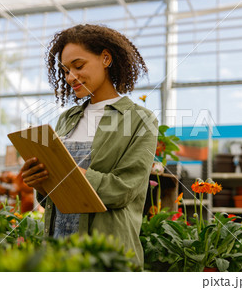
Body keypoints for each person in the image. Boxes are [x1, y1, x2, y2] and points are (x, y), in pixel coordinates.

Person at [20, 24, 158, 266]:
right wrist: (41, 183)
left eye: (78, 66)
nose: (70, 77)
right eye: (65, 70)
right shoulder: (67, 118)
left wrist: (73, 175)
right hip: (58, 249)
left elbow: (126, 189)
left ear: (105, 58)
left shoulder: (140, 119)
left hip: (106, 254)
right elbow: (53, 199)